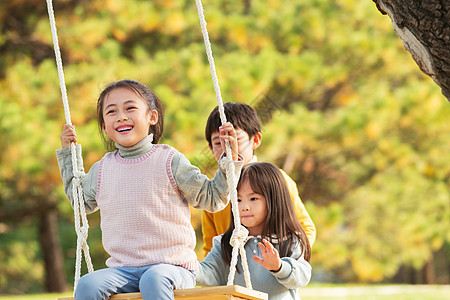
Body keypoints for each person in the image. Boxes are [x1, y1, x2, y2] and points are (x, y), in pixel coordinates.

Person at [56, 79, 242, 300]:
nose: (121, 116)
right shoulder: (102, 169)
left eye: (130, 108)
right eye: (111, 111)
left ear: (152, 117)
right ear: (105, 127)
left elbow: (212, 198)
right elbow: (81, 204)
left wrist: (228, 162)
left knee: (153, 278)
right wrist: (69, 156)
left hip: (173, 267)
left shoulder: (169, 160)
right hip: (123, 270)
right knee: (87, 284)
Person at [201, 102, 316, 256]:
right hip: (232, 273)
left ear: (255, 140)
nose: (228, 148)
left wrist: (287, 265)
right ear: (211, 148)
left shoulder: (277, 180)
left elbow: (305, 229)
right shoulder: (213, 191)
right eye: (218, 143)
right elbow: (210, 246)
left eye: (235, 140)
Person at [197, 162, 312, 300]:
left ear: (273, 200)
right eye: (238, 200)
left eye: (253, 198)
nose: (244, 207)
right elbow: (209, 274)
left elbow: (302, 277)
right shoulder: (227, 243)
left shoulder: (289, 240)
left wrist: (279, 267)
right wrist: (186, 263)